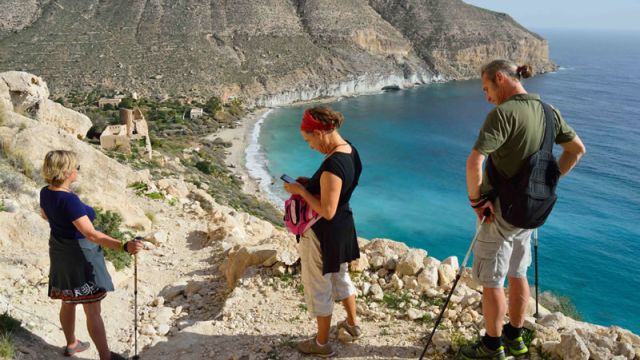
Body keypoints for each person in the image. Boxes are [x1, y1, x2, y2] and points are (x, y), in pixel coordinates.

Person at [461, 60, 587, 359]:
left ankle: (492, 346)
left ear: (501, 79)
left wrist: (477, 201)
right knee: (518, 273)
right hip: (531, 211)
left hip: (501, 211)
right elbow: (577, 150)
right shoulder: (548, 111)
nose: (487, 97)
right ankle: (515, 338)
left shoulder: (502, 114)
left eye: (486, 89)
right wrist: (547, 182)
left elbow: (474, 162)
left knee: (492, 280)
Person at [39, 150, 143, 360]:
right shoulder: (70, 201)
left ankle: (72, 344)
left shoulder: (45, 192)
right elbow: (91, 234)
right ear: (67, 172)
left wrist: (63, 226)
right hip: (81, 256)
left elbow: (45, 215)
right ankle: (106, 357)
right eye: (76, 167)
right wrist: (124, 246)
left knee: (68, 301)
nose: (77, 170)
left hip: (60, 252)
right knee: (92, 310)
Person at [283, 106, 363, 357]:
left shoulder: (332, 165)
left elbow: (327, 210)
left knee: (318, 285)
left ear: (319, 133)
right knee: (340, 276)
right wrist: (312, 183)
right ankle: (352, 325)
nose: (310, 147)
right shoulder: (350, 150)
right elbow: (338, 192)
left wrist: (302, 192)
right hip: (343, 227)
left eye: (309, 140)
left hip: (322, 233)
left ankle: (321, 345)